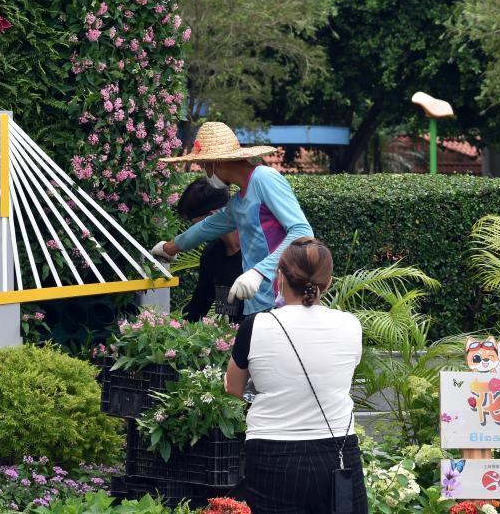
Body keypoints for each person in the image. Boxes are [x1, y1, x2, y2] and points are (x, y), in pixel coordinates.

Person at [223, 237, 367, 514]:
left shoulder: (256, 325)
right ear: (328, 282)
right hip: (337, 451)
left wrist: (257, 391)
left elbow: (233, 386)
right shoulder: (351, 325)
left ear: (279, 277)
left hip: (271, 455)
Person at [152, 122, 313, 316]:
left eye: (203, 165)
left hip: (281, 301)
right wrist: (169, 248)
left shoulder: (264, 178)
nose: (204, 171)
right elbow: (206, 227)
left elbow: (302, 232)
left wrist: (259, 272)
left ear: (215, 162)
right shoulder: (239, 203)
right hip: (257, 304)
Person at [175, 178, 244, 322]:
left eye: (195, 225)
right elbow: (199, 305)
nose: (192, 233)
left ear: (213, 217)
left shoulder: (256, 251)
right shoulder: (212, 254)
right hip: (229, 339)